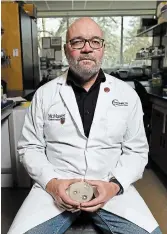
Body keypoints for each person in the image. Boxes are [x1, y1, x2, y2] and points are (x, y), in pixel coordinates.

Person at [8, 17, 162, 234]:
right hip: (55, 189)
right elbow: (29, 148)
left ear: (103, 48)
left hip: (109, 188)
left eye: (95, 42)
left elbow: (136, 151)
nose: (87, 49)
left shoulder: (127, 95)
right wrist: (52, 185)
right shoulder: (45, 94)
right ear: (66, 49)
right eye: (78, 42)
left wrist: (114, 186)